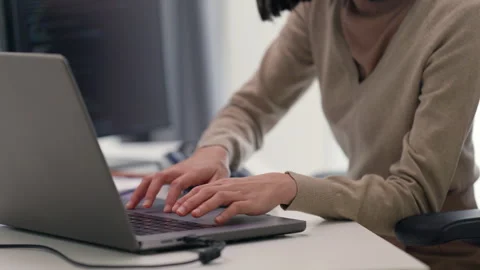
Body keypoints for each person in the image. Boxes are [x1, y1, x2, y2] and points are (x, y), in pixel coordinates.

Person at [117, 0, 480, 269]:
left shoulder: (462, 16)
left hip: (433, 255)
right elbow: (253, 106)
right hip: (357, 236)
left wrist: (289, 187)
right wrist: (215, 151)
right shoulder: (319, 9)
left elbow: (414, 197)